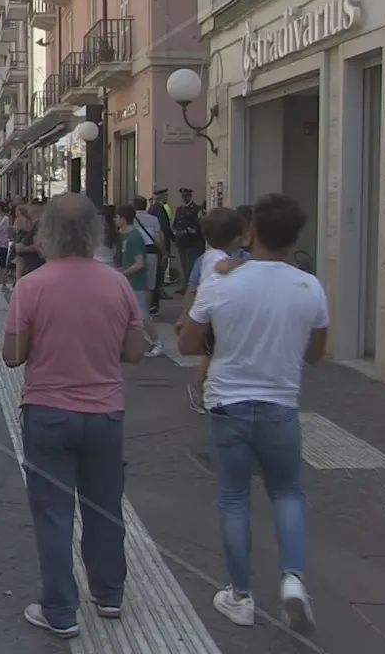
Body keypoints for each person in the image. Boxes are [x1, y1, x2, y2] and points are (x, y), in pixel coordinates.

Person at [177, 193, 325, 634]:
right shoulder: (309, 286)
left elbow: (186, 342)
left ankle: (240, 595)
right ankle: (294, 580)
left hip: (228, 402)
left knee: (234, 498)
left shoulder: (222, 281)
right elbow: (316, 354)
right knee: (289, 493)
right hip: (281, 403)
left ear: (252, 230)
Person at [3, 193, 147, 639]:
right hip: (105, 413)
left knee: (53, 513)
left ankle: (60, 610)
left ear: (47, 233)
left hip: (47, 411)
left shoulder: (32, 286)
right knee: (104, 507)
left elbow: (12, 356)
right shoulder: (118, 284)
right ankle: (108, 593)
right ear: (94, 233)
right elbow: (136, 352)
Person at [176, 207, 250, 414]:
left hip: (210, 317)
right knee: (216, 355)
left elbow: (192, 289)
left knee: (214, 354)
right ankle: (204, 388)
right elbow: (193, 289)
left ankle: (205, 388)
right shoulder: (228, 260)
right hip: (220, 318)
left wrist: (184, 317)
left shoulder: (206, 258)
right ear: (237, 238)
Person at [116, 204, 163, 357]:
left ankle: (157, 341)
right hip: (129, 283)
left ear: (123, 219)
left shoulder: (134, 238)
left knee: (142, 316)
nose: (115, 220)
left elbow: (139, 263)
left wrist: (123, 273)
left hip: (136, 283)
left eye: (117, 217)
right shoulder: (127, 237)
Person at [172, 187, 204, 293]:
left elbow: (196, 227)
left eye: (186, 196)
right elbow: (175, 223)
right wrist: (176, 231)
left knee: (191, 265)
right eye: (183, 196)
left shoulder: (195, 209)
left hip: (192, 242)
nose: (184, 198)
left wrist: (186, 231)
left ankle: (190, 287)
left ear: (190, 196)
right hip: (181, 242)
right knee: (184, 266)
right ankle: (185, 285)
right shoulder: (179, 209)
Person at [0, 201, 14, 292]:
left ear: (0, 208)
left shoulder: (4, 218)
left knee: (1, 263)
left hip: (2, 242)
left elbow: (4, 230)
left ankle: (1, 284)